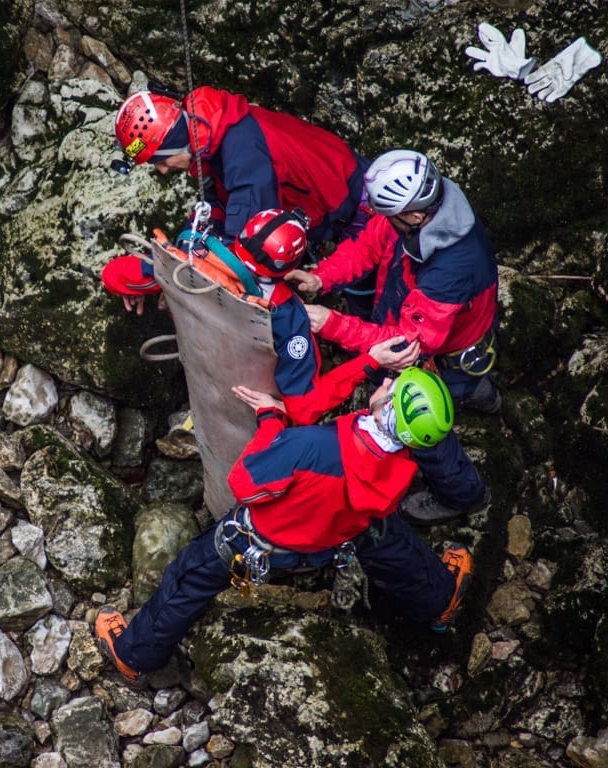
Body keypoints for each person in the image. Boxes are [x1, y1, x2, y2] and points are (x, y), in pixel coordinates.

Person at [93, 364, 476, 684]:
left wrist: (272, 421)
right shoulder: (400, 464)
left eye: (393, 387)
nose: (387, 382)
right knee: (388, 540)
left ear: (389, 410)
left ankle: (134, 654)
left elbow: (245, 484)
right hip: (338, 536)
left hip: (258, 542)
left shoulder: (311, 447)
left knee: (189, 576)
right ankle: (439, 599)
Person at [104, 86, 377, 316]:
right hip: (334, 195)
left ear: (178, 145)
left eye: (161, 161)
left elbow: (238, 256)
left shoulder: (243, 156)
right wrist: (182, 251)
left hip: (359, 207)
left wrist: (148, 275)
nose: (162, 170)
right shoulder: (215, 133)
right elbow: (216, 210)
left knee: (370, 297)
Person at [285, 149, 501, 416]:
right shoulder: (419, 211)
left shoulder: (451, 270)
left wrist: (332, 324)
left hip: (447, 347)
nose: (384, 220)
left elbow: (405, 344)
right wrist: (321, 277)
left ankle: (481, 396)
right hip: (404, 308)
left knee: (451, 392)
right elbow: (368, 244)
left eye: (389, 215)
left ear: (414, 216)